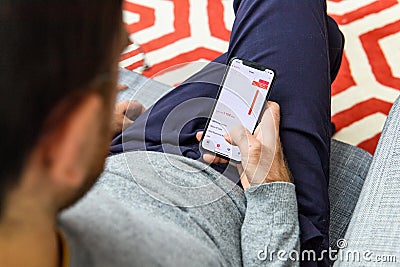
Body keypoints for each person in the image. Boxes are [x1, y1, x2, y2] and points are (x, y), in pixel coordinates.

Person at [0, 0, 343, 266]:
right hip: (246, 194)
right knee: (302, 25)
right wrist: (273, 191)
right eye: (108, 78)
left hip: (132, 155)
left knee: (310, 35)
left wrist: (92, 139)